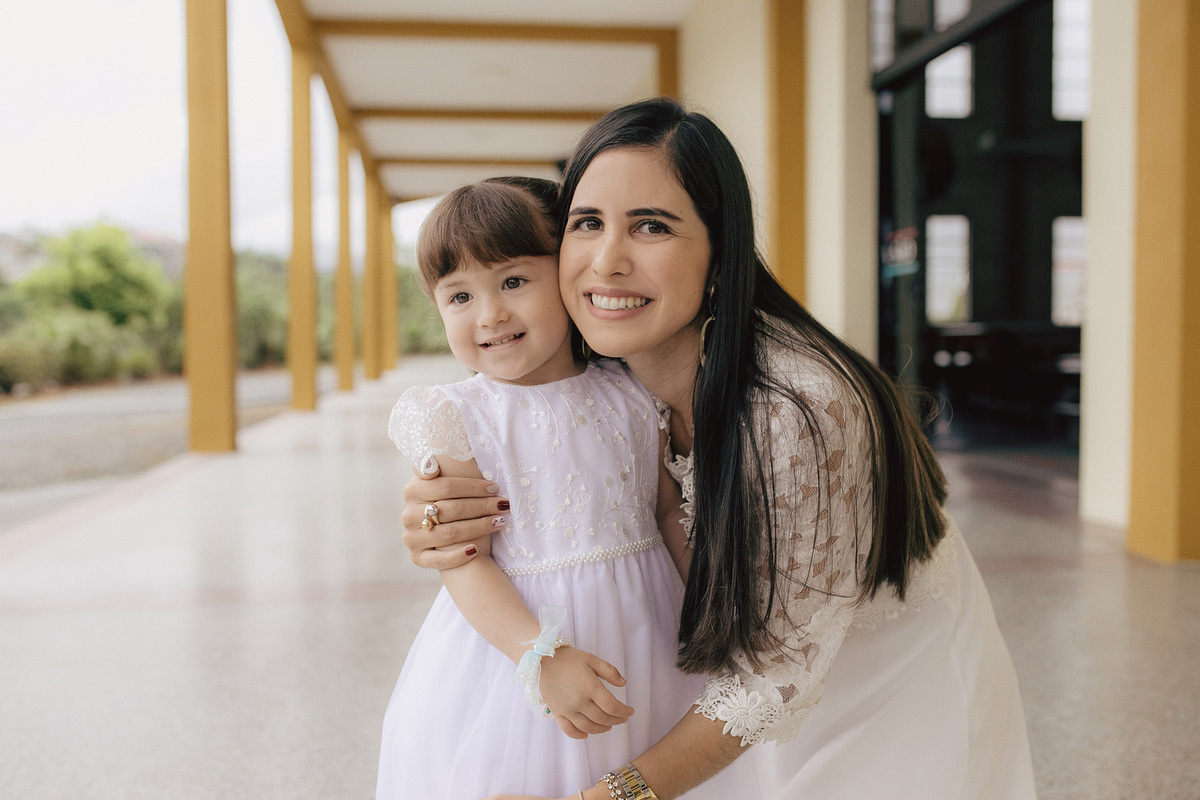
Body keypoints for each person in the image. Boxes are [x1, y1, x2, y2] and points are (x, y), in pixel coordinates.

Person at [399, 99, 1038, 800]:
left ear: (719, 249)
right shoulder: (606, 364)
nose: (608, 261)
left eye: (651, 226)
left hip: (882, 687)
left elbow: (771, 681)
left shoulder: (796, 407)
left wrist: (603, 799)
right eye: (587, 224)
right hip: (725, 687)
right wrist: (441, 520)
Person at [376, 176, 758, 800]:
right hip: (519, 645)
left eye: (514, 282)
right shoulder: (454, 415)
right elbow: (462, 559)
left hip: (646, 632)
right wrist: (540, 657)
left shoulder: (632, 389)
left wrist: (710, 607)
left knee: (649, 758)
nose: (491, 314)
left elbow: (666, 511)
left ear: (563, 276)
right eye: (459, 296)